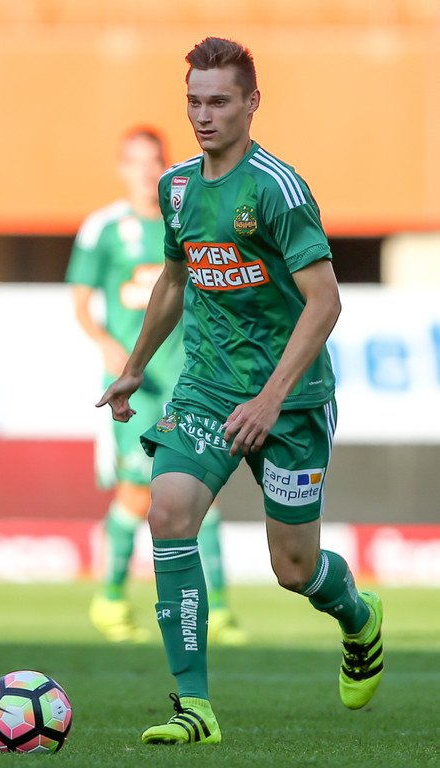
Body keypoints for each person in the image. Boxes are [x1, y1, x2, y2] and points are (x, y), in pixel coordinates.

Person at [97, 37, 384, 745]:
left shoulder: (277, 189)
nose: (203, 115)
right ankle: (193, 706)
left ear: (252, 103)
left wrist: (270, 399)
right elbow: (175, 280)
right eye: (193, 101)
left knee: (294, 568)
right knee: (168, 512)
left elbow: (324, 301)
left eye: (219, 101)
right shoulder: (176, 188)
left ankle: (357, 617)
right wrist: (136, 364)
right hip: (205, 387)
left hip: (291, 401)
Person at [67, 126, 246, 646]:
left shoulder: (189, 216)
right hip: (137, 384)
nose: (146, 172)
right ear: (122, 168)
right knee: (135, 490)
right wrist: (105, 344)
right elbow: (80, 301)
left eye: (154, 161)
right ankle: (111, 598)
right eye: (136, 161)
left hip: (193, 379)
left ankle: (219, 610)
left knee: (205, 493)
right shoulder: (104, 228)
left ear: (167, 165)